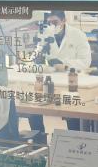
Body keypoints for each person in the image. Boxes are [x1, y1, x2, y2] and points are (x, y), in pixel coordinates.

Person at [27, 11, 91, 141]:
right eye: (49, 23)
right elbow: (37, 54)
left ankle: (73, 142)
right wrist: (38, 60)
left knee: (72, 115)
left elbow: (85, 62)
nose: (52, 26)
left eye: (55, 22)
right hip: (51, 80)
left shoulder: (78, 35)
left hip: (71, 81)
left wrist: (65, 65)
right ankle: (39, 141)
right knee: (33, 109)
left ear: (63, 21)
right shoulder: (45, 34)